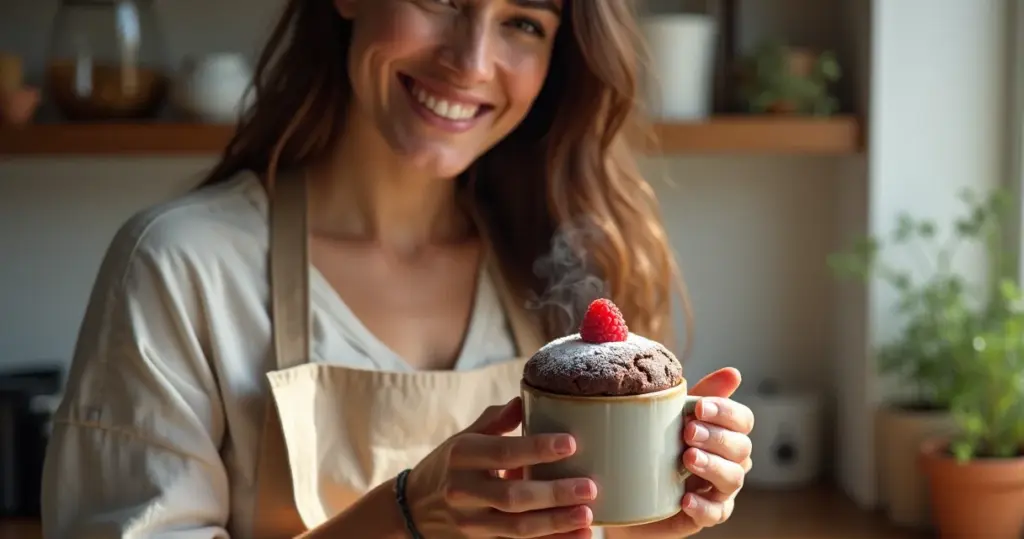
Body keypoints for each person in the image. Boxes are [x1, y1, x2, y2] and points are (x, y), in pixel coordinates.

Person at [41, 0, 756, 538]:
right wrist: (408, 512)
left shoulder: (556, 262)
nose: (471, 60)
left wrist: (657, 513)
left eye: (524, 22)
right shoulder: (180, 268)